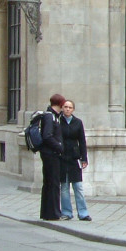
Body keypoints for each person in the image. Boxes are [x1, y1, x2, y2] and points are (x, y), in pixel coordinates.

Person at [59, 100, 91, 221]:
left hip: (74, 157)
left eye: (70, 107)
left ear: (73, 109)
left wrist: (84, 158)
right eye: (65, 107)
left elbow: (82, 141)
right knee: (64, 187)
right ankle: (66, 212)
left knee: (78, 186)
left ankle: (83, 213)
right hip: (62, 157)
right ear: (62, 108)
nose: (67, 109)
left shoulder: (78, 122)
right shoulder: (58, 122)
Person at [39, 93, 66, 221]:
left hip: (49, 153)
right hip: (51, 154)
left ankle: (47, 212)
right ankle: (54, 213)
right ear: (60, 104)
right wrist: (59, 146)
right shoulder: (50, 117)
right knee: (53, 183)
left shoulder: (51, 116)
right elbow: (47, 136)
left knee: (49, 183)